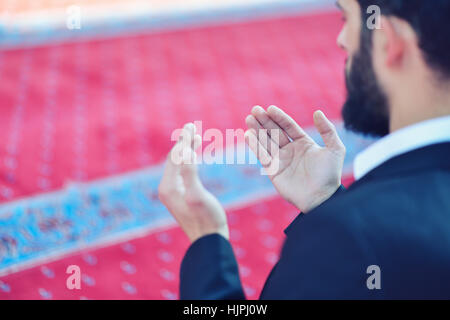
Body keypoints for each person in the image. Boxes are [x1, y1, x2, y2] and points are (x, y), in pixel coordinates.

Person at [158, 0, 450, 299]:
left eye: (345, 19)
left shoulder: (347, 240)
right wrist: (326, 200)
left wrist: (207, 239)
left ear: (388, 40)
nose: (342, 40)